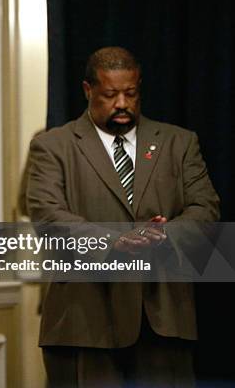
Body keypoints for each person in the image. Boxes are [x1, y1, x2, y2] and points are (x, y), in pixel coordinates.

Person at [26, 46, 219, 387]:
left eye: (130, 94)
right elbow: (48, 216)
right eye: (110, 94)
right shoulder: (53, 146)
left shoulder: (179, 143)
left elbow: (206, 210)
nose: (122, 104)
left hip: (163, 320)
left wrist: (164, 236)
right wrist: (116, 241)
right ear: (88, 91)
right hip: (84, 324)